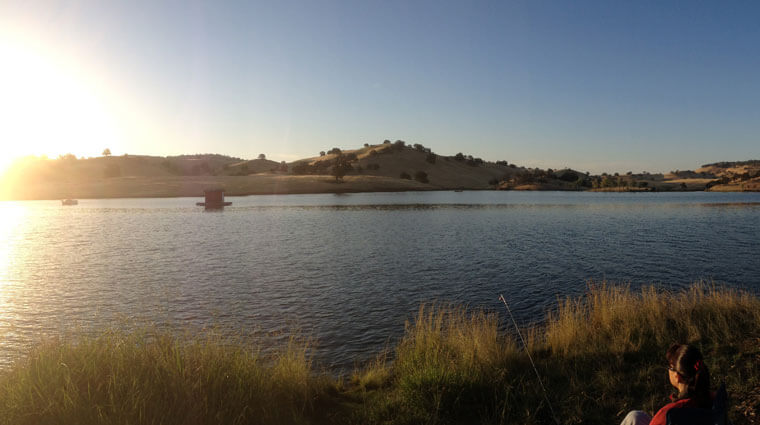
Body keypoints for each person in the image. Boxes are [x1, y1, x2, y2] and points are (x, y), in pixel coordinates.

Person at [620, 343, 712, 425]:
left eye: (670, 367)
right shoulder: (709, 398)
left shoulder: (669, 414)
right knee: (636, 417)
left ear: (677, 376)